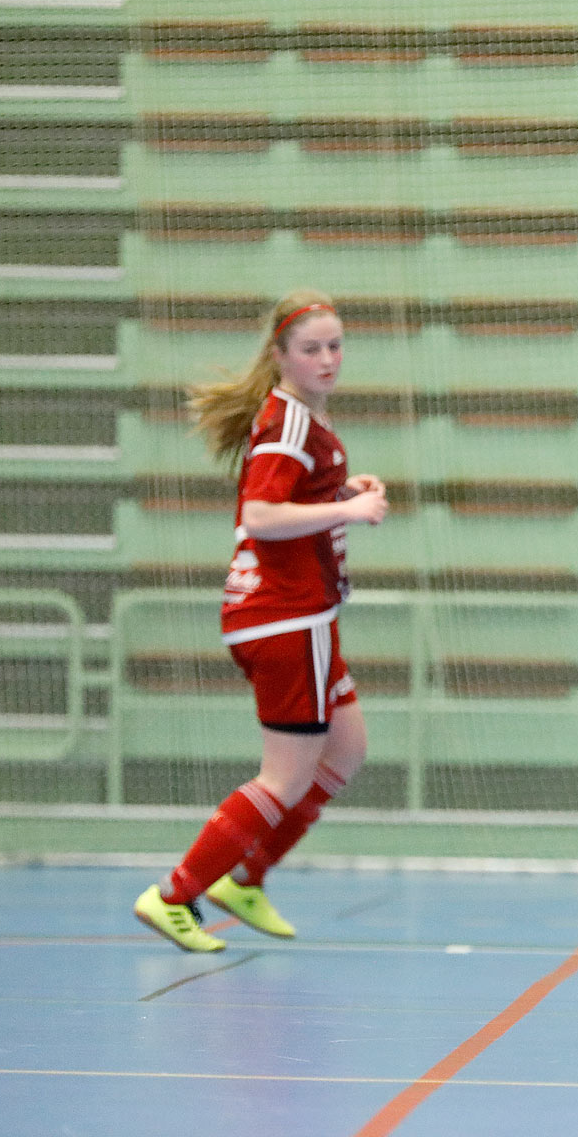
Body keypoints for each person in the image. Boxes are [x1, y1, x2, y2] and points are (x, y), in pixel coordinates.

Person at [133, 289, 387, 952]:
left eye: (335, 346)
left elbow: (290, 499)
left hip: (305, 617)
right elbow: (261, 516)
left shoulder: (299, 419)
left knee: (348, 749)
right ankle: (174, 894)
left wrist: (339, 492)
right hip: (283, 619)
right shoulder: (289, 423)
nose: (328, 359)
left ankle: (247, 877)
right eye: (312, 349)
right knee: (286, 776)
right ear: (279, 356)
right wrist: (348, 513)